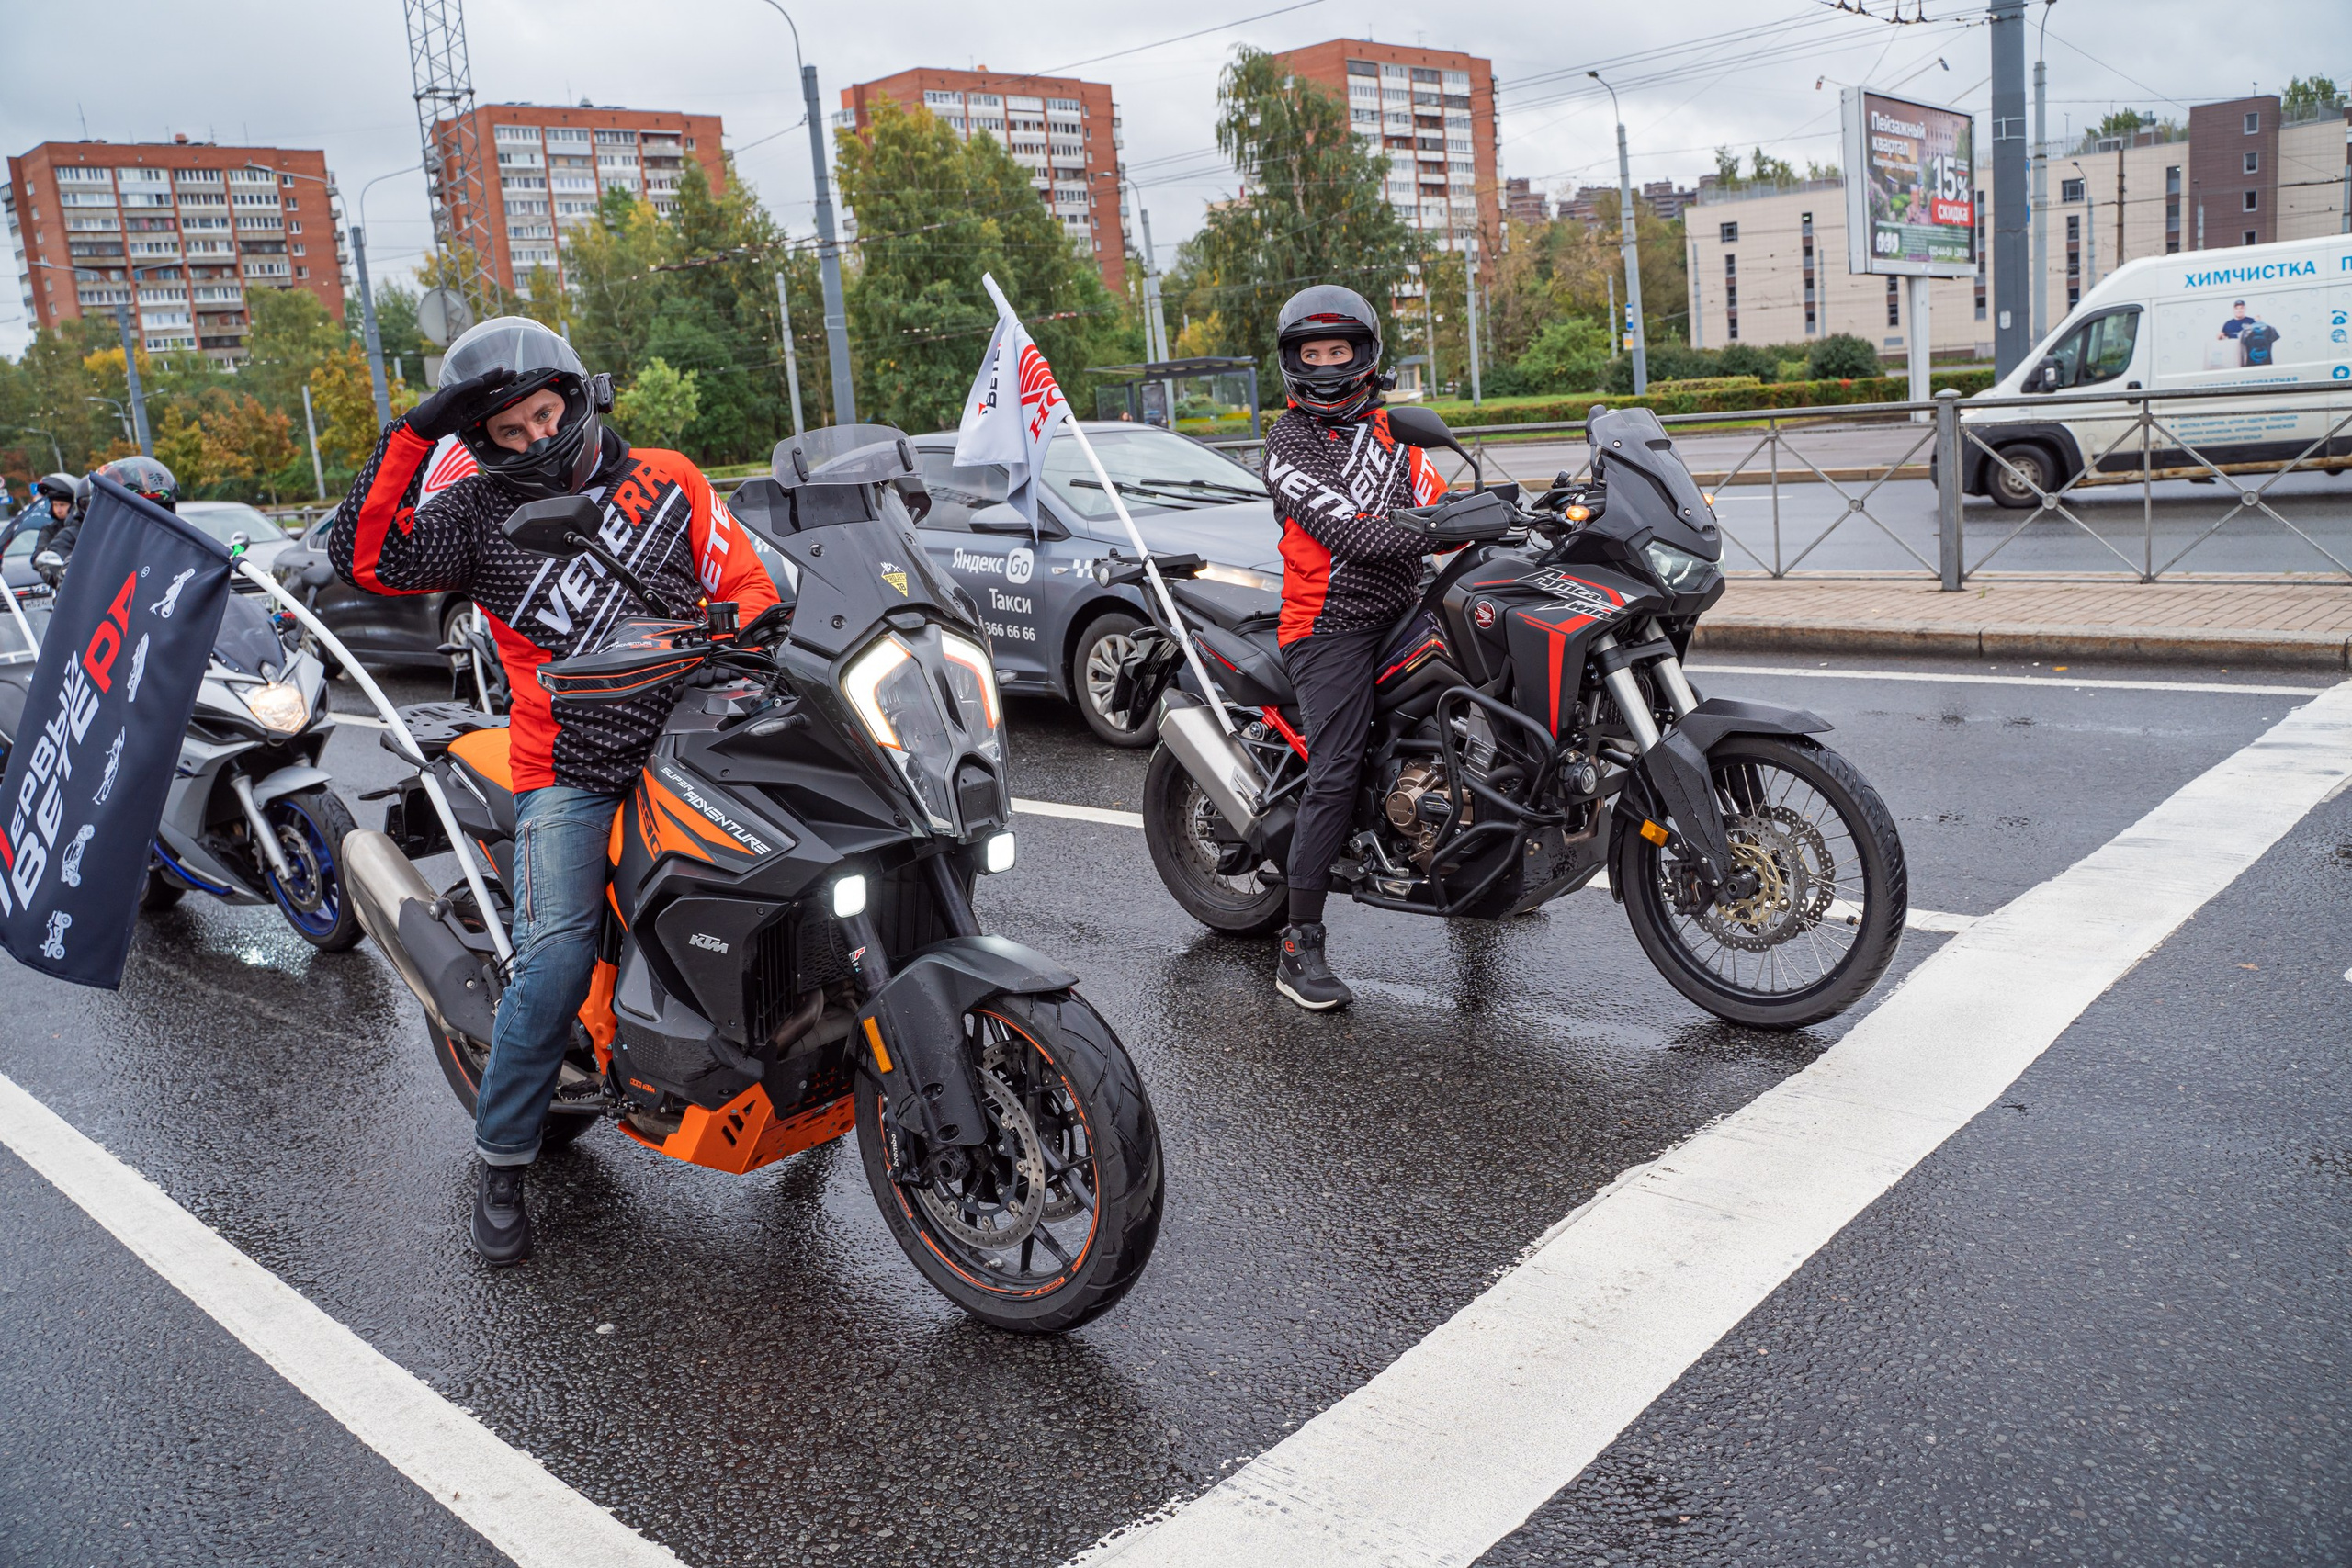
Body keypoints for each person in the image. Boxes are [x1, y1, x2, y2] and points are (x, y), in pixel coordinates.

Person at [326, 317, 778, 1266]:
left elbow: (752, 587)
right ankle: (501, 1161)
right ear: (482, 442)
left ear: (575, 397)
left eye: (543, 415)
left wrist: (748, 633)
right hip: (571, 765)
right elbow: (366, 560)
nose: (533, 440)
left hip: (703, 738)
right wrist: (414, 431)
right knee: (558, 960)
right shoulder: (476, 517)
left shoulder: (669, 477)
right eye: (506, 431)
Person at [1262, 285, 1446, 1011]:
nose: (1328, 364)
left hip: (1405, 606)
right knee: (1335, 768)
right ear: (1293, 363)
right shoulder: (1287, 444)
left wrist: (1519, 510)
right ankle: (1298, 941)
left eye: (1339, 350)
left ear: (1365, 355)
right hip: (1327, 624)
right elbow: (1356, 533)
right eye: (1313, 353)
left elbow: (1436, 503)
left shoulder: (1392, 429)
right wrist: (1441, 525)